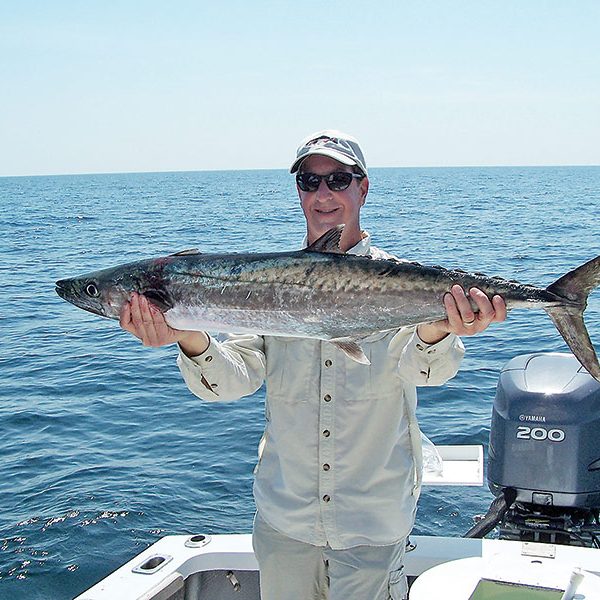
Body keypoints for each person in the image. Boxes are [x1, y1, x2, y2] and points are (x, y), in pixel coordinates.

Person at [119, 130, 506, 600]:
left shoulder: (402, 280)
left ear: (363, 187)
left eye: (338, 179)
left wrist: (440, 328)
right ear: (298, 190)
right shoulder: (259, 286)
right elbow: (232, 382)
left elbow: (424, 371)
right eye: (309, 181)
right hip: (286, 522)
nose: (323, 194)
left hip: (373, 521)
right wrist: (190, 338)